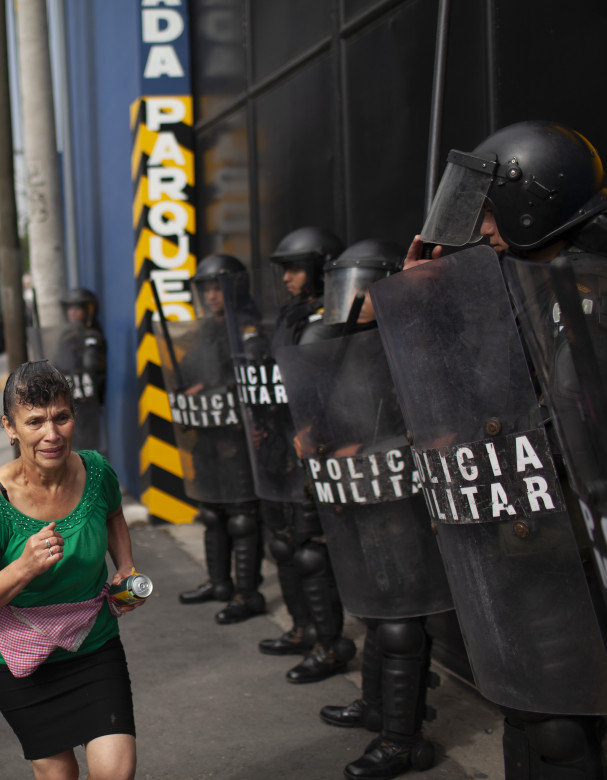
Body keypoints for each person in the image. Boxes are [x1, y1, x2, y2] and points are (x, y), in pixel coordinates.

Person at [405, 119, 607, 779]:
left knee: (560, 721)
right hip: (537, 538)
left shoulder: (601, 292)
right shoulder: (532, 283)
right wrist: (427, 299)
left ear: (535, 202)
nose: (486, 228)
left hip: (583, 550)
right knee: (531, 711)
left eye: (495, 212)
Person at [283, 239, 452, 780]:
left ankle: (402, 741)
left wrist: (371, 449)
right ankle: (379, 708)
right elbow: (336, 410)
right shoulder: (346, 344)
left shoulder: (418, 344)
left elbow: (440, 428)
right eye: (341, 287)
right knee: (376, 611)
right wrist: (313, 433)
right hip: (359, 496)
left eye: (357, 286)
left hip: (402, 498)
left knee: (402, 620)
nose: (347, 299)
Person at [0, 360, 139, 780]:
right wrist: (23, 568)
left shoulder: (96, 472)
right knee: (60, 776)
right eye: (34, 421)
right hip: (20, 663)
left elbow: (113, 514)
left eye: (62, 418)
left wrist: (125, 566)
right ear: (9, 427)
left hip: (94, 648)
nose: (51, 434)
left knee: (116, 773)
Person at [241, 227, 353, 683]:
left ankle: (329, 645)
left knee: (311, 552)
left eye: (296, 267)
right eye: (284, 268)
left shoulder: (333, 317)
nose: (287, 277)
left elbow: (336, 390)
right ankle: (303, 628)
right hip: (282, 449)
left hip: (315, 449)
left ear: (322, 267)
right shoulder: (293, 316)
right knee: (285, 543)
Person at [167, 254, 267, 625]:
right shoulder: (206, 329)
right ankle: (219, 582)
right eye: (205, 288)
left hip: (237, 436)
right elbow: (193, 369)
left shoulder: (248, 329)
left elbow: (251, 379)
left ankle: (247, 592)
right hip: (208, 431)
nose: (210, 295)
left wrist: (208, 388)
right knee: (212, 511)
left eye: (216, 287)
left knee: (242, 516)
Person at [52, 288, 106, 452]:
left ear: (88, 311)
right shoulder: (66, 336)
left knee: (87, 452)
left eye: (78, 309)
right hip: (67, 401)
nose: (73, 313)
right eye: (70, 309)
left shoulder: (91, 335)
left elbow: (91, 365)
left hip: (86, 403)